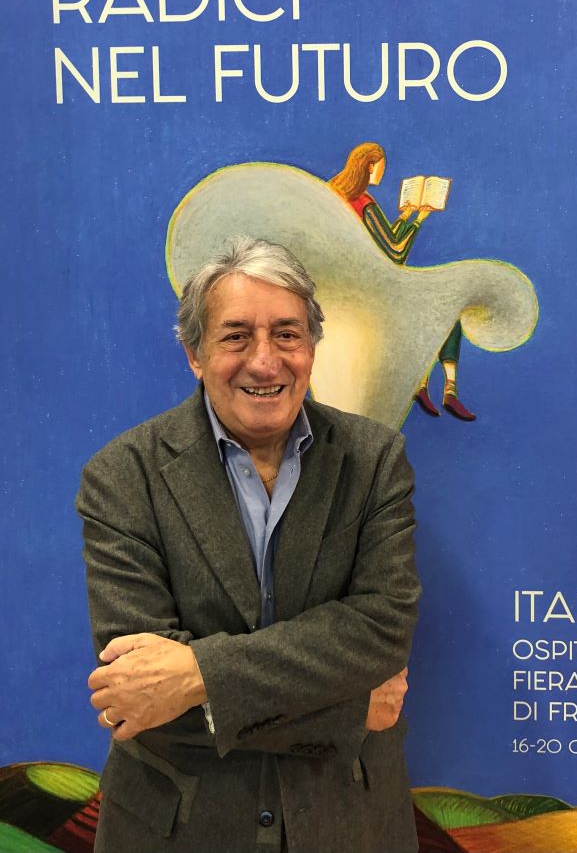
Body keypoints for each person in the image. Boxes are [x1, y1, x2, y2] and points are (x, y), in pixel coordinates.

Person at [78, 237, 421, 853]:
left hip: (348, 824)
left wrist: (197, 673)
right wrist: (347, 709)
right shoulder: (122, 476)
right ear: (194, 354)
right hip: (177, 831)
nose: (265, 362)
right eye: (236, 336)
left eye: (287, 334)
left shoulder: (375, 462)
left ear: (311, 348)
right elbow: (140, 691)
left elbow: (381, 630)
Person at [329, 142, 476, 421]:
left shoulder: (337, 197)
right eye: (380, 168)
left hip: (350, 287)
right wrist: (420, 217)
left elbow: (383, 240)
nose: (381, 174)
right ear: (369, 166)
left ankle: (428, 386)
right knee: (446, 311)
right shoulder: (363, 202)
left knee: (441, 310)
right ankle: (443, 388)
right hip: (374, 290)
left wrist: (406, 214)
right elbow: (395, 251)